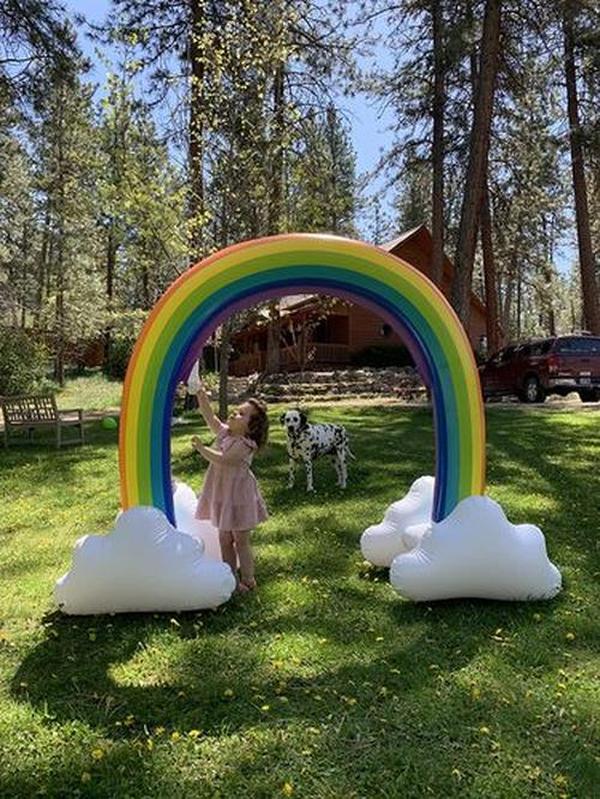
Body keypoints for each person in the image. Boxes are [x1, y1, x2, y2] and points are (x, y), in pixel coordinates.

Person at [187, 363, 269, 593]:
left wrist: (202, 448)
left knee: (240, 539)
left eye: (242, 414)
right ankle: (229, 577)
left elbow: (224, 459)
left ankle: (248, 579)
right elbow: (210, 417)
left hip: (239, 497)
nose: (235, 413)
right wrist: (200, 394)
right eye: (237, 410)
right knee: (224, 539)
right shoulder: (226, 433)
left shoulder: (244, 444)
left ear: (251, 427)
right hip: (223, 494)